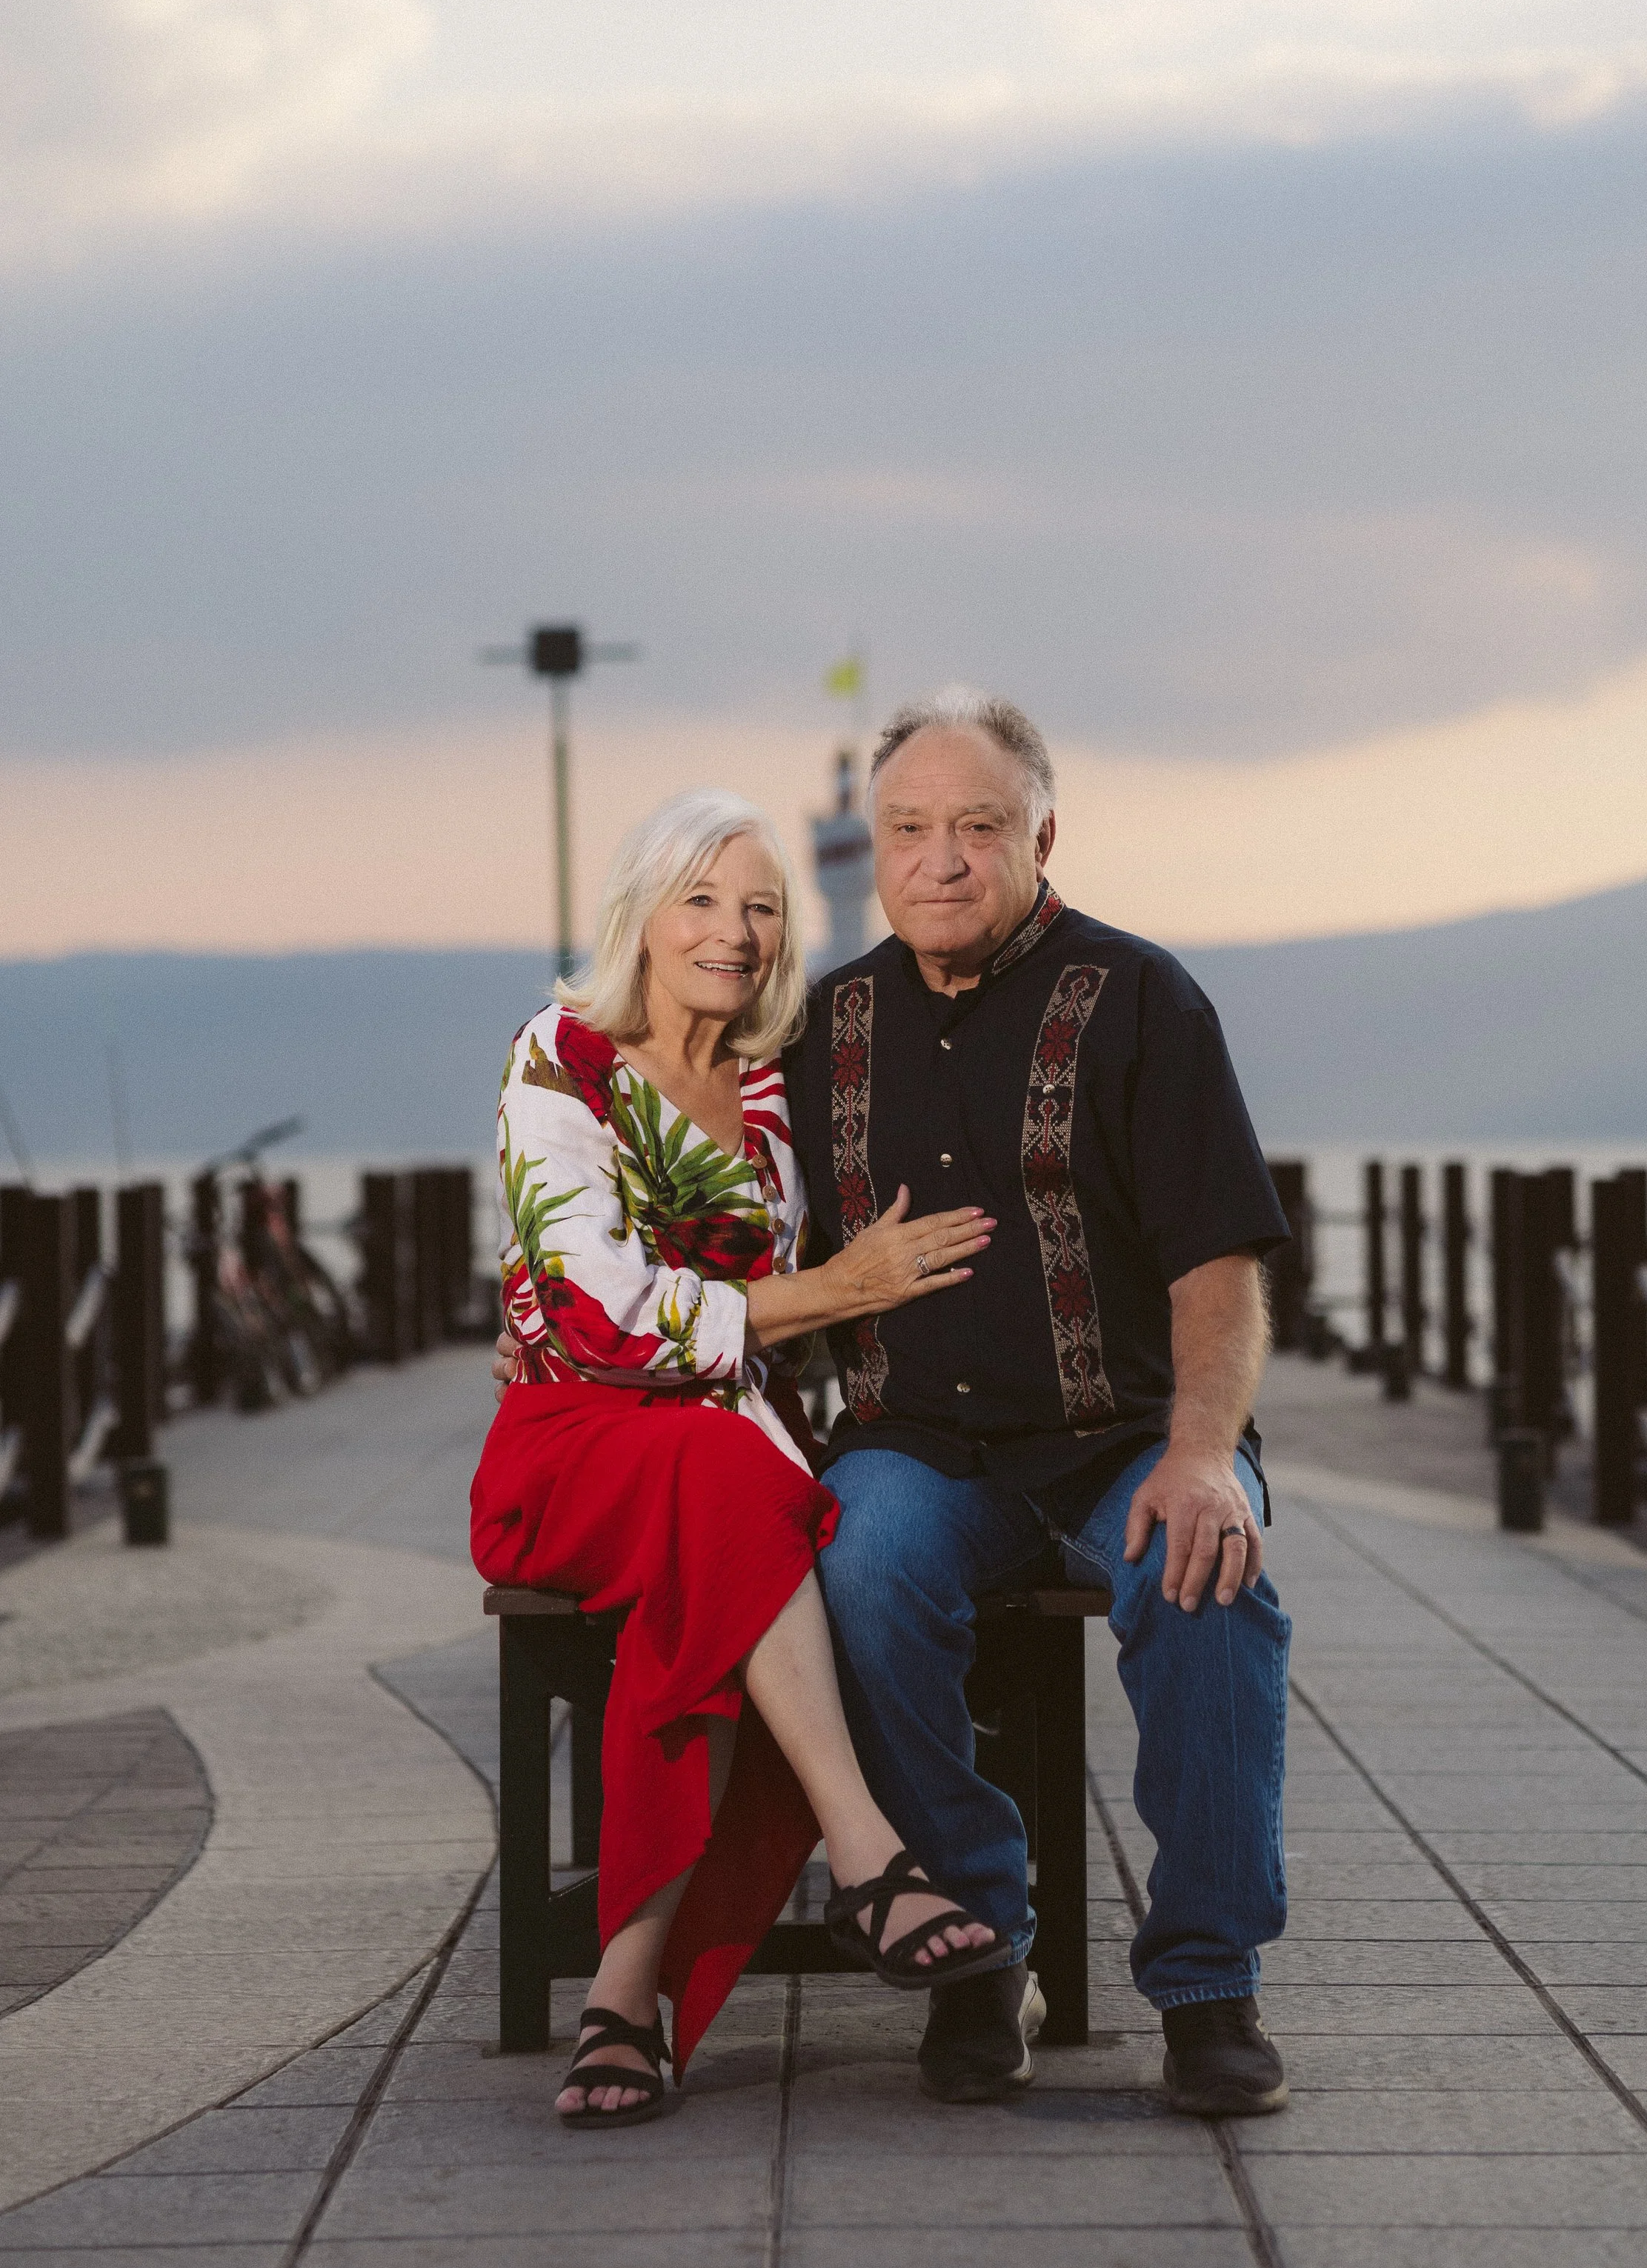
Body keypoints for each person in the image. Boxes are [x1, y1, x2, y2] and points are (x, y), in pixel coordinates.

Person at [782, 689, 1292, 2115]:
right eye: (908, 829)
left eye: (977, 827)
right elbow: (719, 1221)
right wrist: (564, 1321)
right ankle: (976, 1949)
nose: (940, 858)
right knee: (860, 1563)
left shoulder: (1141, 999)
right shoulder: (825, 1026)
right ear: (873, 849)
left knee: (1207, 1575)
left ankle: (1208, 1987)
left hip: (1125, 1433)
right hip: (916, 1447)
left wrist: (1202, 1456)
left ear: (1042, 834)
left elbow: (1220, 1261)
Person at [473, 788, 1005, 2128]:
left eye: (762, 906)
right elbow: (595, 1315)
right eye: (704, 898)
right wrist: (836, 1288)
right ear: (642, 915)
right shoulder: (563, 1054)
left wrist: (867, 1302)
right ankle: (866, 1847)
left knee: (739, 1524)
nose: (736, 929)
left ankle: (623, 1991)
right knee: (741, 1495)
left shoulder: (774, 1091)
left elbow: (795, 1330)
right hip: (569, 1442)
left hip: (726, 1448)